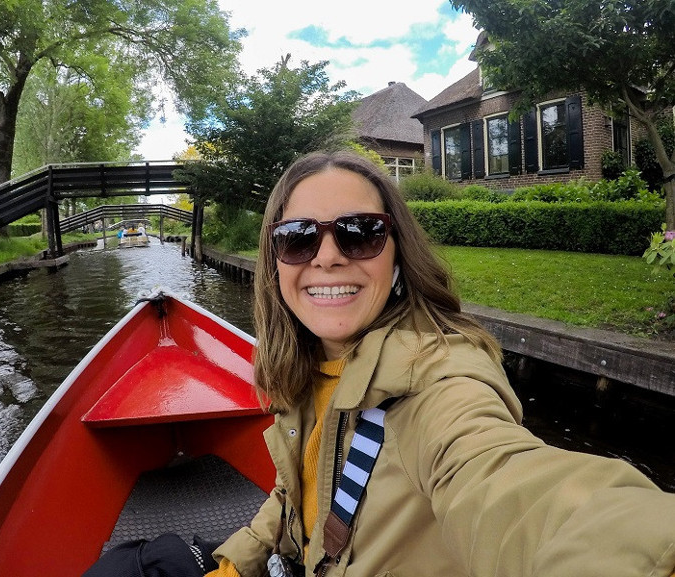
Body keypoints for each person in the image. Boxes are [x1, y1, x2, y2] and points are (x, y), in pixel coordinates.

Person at [204, 150, 675, 577]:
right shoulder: (307, 366)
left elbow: (508, 488)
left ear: (396, 254)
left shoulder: (441, 381)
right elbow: (297, 491)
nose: (327, 257)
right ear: (275, 260)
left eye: (360, 233)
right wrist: (236, 563)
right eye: (297, 238)